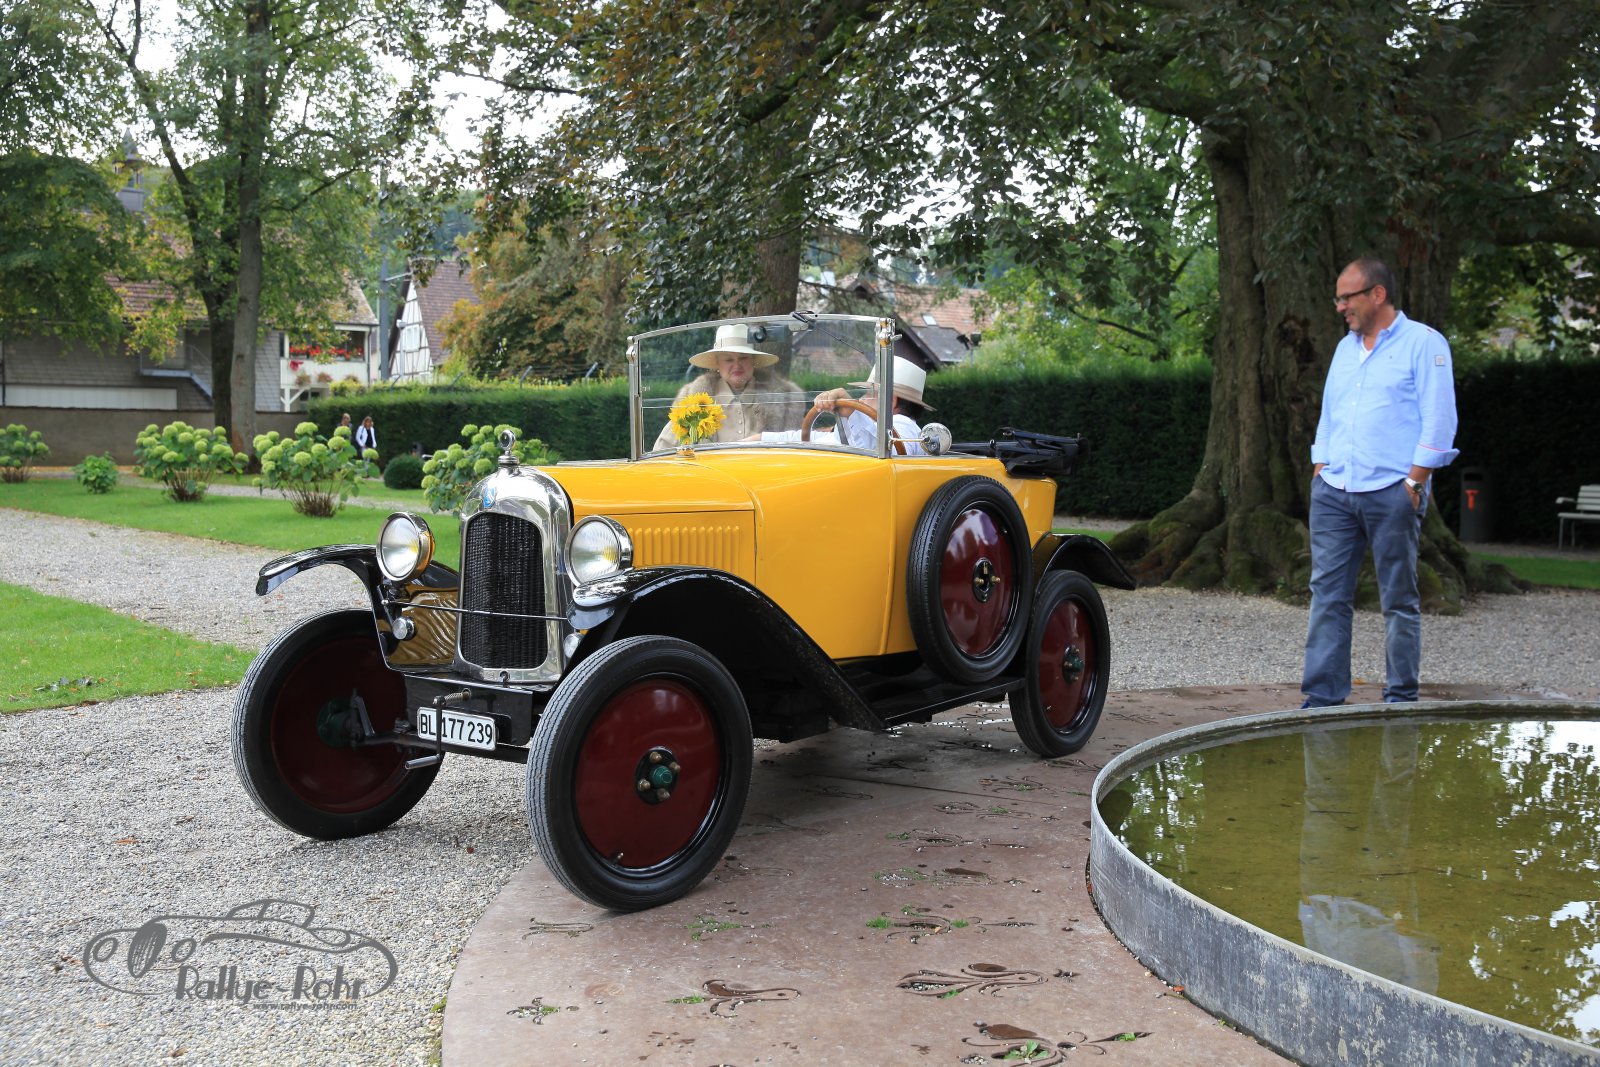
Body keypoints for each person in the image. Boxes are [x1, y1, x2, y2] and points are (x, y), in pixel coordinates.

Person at [1301, 257, 1458, 708]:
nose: (1339, 307)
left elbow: (1439, 419)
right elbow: (1330, 413)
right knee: (1327, 596)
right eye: (1337, 299)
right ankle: (1322, 700)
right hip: (1334, 491)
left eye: (1346, 298)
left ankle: (1401, 699)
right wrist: (1320, 465)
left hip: (1393, 492)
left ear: (1377, 294)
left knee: (1398, 599)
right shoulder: (1344, 349)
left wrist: (1415, 482)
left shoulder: (1423, 343)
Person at [651, 323, 807, 450]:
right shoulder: (693, 400)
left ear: (753, 361)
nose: (737, 365)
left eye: (743, 358)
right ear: (717, 364)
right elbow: (662, 450)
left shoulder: (785, 402)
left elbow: (797, 450)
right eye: (728, 360)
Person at [757, 355, 932, 455]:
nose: (861, 399)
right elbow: (814, 439)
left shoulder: (904, 426)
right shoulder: (874, 429)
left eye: (869, 393)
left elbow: (884, 453)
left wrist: (851, 412)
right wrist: (758, 439)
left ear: (891, 401)